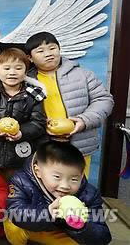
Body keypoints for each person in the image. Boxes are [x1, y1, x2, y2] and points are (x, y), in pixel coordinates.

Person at [25, 32, 114, 177]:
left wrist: (84, 121)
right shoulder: (26, 81)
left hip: (79, 144)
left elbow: (104, 100)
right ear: (30, 58)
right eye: (40, 51)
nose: (48, 54)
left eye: (52, 48)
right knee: (44, 188)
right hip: (42, 146)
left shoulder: (83, 75)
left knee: (76, 187)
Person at [5, 141, 112, 245]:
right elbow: (15, 211)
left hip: (60, 233)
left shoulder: (89, 194)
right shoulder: (21, 181)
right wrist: (47, 214)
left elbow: (103, 236)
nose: (65, 186)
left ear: (81, 175)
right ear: (38, 171)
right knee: (12, 226)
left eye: (74, 179)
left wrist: (82, 226)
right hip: (29, 228)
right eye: (57, 177)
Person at [0, 48, 47, 178]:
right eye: (7, 68)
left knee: (17, 182)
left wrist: (22, 133)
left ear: (26, 72)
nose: (12, 73)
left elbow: (39, 122)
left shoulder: (33, 95)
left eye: (18, 68)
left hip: (21, 152)